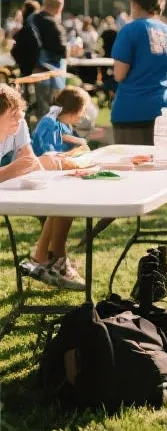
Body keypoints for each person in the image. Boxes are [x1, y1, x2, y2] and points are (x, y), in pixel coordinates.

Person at [0, 85, 85, 290]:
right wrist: (15, 168)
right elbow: (23, 164)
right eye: (13, 116)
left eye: (20, 115)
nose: (19, 121)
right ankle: (50, 259)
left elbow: (29, 160)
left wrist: (51, 169)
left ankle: (50, 258)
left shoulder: (18, 125)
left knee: (63, 187)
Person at [110, 0, 167, 145]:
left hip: (132, 110)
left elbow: (119, 74)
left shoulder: (128, 31)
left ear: (135, 2)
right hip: (165, 108)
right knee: (162, 163)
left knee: (131, 166)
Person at [30, 86, 89, 155]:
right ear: (74, 111)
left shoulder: (62, 120)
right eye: (83, 110)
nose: (84, 115)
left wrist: (76, 140)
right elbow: (49, 158)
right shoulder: (49, 125)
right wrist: (74, 152)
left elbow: (62, 135)